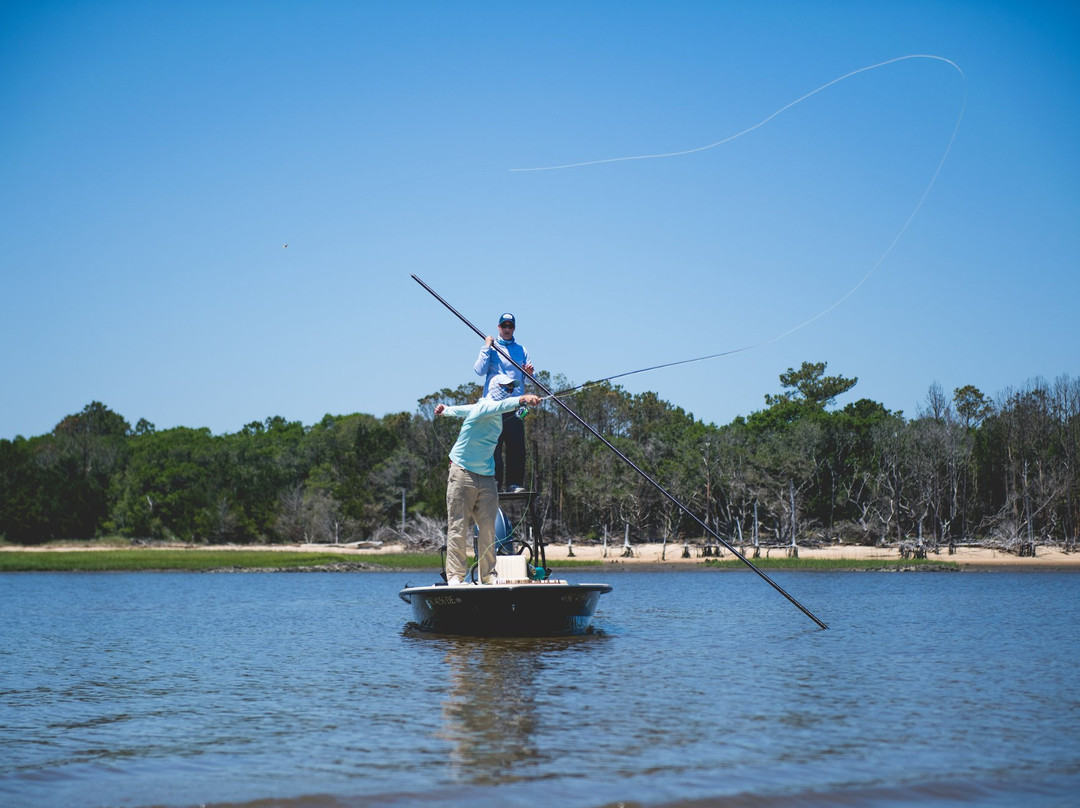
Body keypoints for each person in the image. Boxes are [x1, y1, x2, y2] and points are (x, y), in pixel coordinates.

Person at [435, 374, 541, 585]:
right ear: (494, 388)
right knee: (458, 527)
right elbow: (490, 407)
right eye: (506, 388)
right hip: (462, 472)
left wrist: (446, 410)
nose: (510, 391)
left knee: (488, 529)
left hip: (486, 476)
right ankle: (455, 577)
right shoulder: (486, 407)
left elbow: (464, 409)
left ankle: (489, 577)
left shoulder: (494, 410)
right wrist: (522, 398)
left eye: (513, 388)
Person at [473, 312, 535, 492]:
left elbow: (530, 380)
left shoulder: (522, 350)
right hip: (494, 406)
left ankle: (514, 483)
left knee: (516, 446)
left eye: (510, 326)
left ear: (514, 328)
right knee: (494, 446)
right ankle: (494, 483)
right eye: (504, 326)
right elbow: (479, 370)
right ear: (498, 327)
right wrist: (486, 347)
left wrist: (530, 373)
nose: (507, 329)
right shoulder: (490, 348)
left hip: (515, 405)